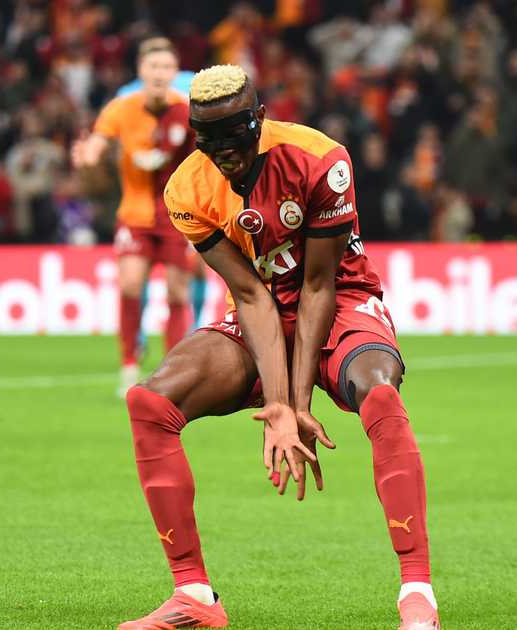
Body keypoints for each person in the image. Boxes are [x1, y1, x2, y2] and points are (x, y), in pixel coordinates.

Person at [118, 64, 439, 630]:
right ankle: (194, 596)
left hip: (341, 301)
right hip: (259, 312)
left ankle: (417, 595)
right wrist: (278, 409)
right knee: (149, 403)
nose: (223, 150)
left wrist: (299, 404)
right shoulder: (186, 189)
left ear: (259, 120)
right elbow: (251, 296)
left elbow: (318, 286)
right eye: (207, 138)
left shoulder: (320, 160)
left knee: (379, 393)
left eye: (234, 134)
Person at [71, 37, 196, 397]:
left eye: (166, 67)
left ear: (174, 72)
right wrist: (88, 155)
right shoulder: (121, 108)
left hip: (178, 215)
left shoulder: (186, 110)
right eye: (153, 67)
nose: (159, 73)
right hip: (135, 213)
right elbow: (98, 140)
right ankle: (129, 364)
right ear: (141, 71)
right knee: (129, 285)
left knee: (177, 292)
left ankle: (173, 370)